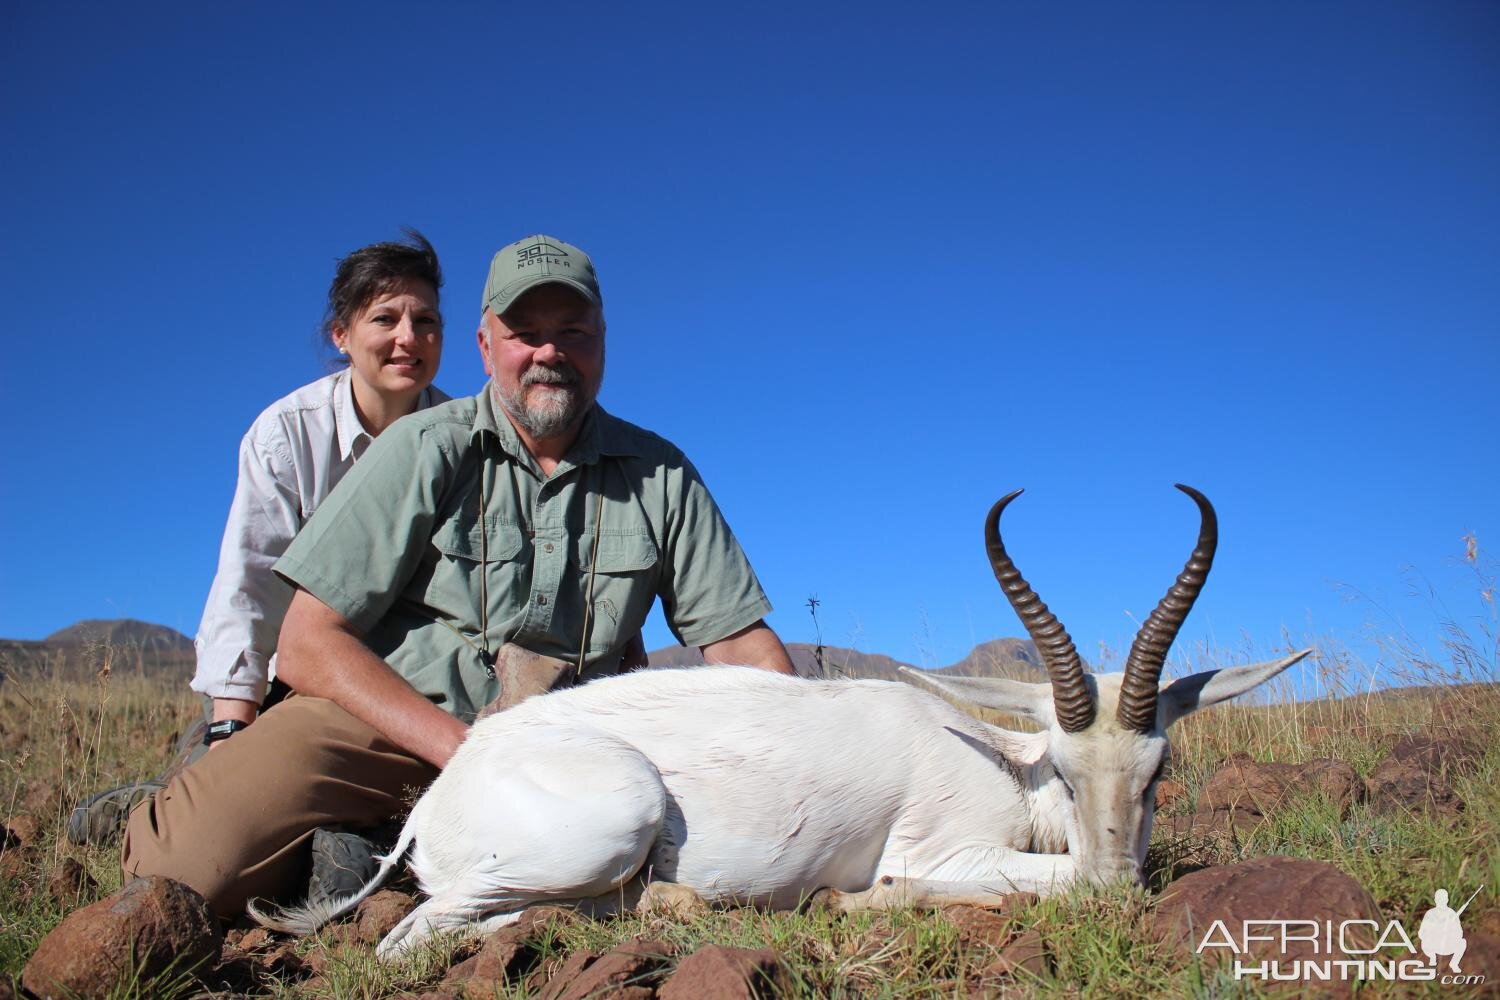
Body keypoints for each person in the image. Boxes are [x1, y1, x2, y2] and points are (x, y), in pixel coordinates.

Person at [120, 234, 795, 918]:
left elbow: (742, 646)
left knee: (718, 853)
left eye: (572, 332)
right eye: (524, 333)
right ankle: (174, 804)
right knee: (177, 871)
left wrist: (802, 751)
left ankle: (385, 848)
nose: (549, 353)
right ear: (484, 347)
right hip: (390, 726)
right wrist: (470, 754)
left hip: (571, 754)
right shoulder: (423, 446)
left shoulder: (662, 475)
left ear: (603, 341)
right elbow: (305, 641)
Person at [68, 229, 451, 844]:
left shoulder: (463, 442)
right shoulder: (286, 436)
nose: (409, 337)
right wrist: (231, 728)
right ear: (342, 335)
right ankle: (155, 808)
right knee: (221, 814)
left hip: (406, 687)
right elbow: (249, 583)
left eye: (426, 320)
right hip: (292, 678)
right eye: (386, 318)